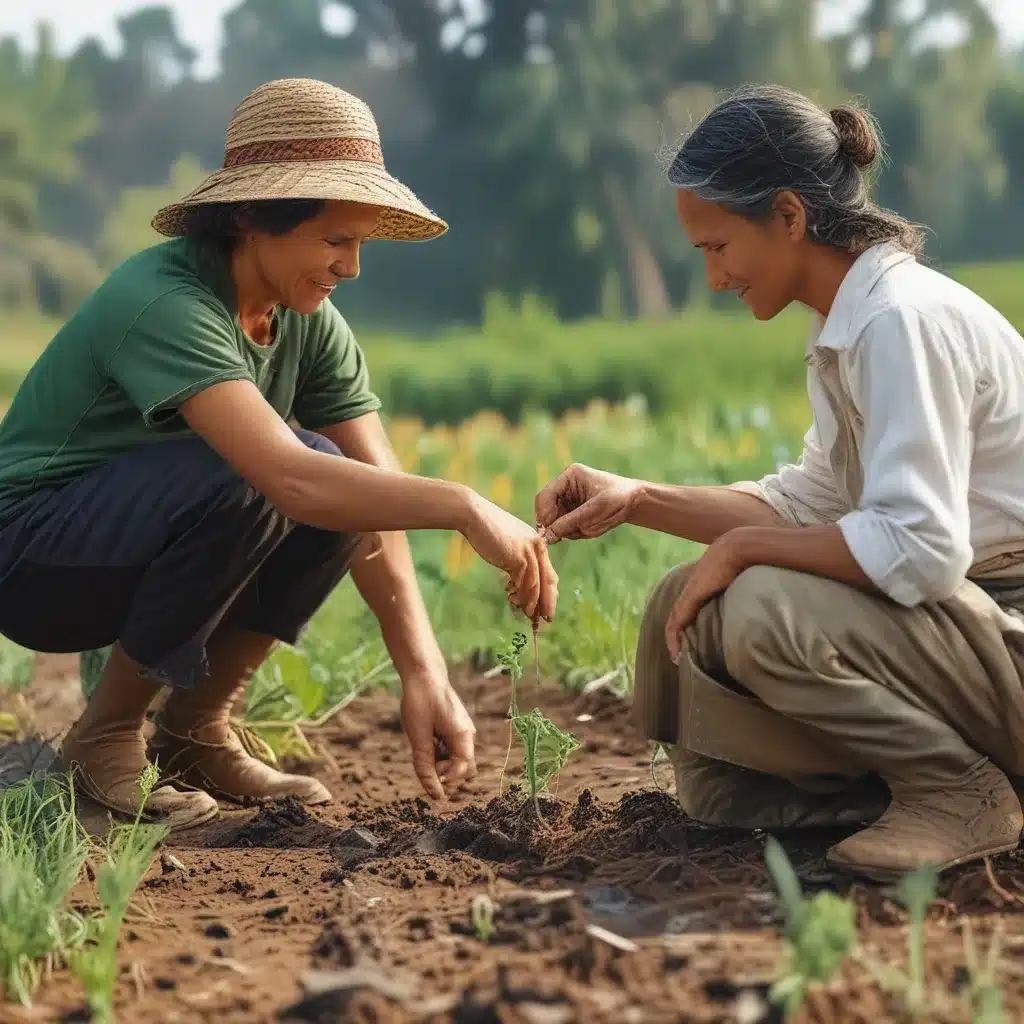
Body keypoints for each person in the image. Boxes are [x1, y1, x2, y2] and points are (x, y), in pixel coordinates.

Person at [0, 77, 557, 830]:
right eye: (336, 241)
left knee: (341, 481)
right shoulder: (165, 300)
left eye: (358, 243)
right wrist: (462, 505)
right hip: (33, 557)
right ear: (254, 218)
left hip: (125, 544)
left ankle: (196, 731)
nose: (351, 267)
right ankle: (102, 742)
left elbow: (372, 494)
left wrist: (424, 673)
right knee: (279, 466)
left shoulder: (308, 323)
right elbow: (286, 477)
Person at [535, 83, 1024, 882]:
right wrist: (639, 499)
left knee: (758, 600)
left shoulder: (900, 321)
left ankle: (956, 789)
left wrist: (746, 550)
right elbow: (814, 502)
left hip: (1007, 621)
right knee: (684, 601)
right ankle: (867, 790)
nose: (717, 278)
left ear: (789, 217)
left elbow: (925, 548)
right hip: (971, 635)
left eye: (718, 248)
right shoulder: (851, 325)